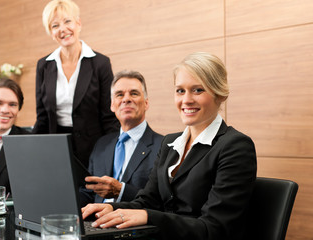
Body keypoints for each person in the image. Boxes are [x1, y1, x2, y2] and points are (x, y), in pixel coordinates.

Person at [82, 52, 257, 240]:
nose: (186, 100)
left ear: (219, 94)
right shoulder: (170, 144)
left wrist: (149, 216)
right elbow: (148, 201)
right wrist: (111, 208)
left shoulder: (236, 146)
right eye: (180, 91)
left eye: (197, 90)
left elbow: (215, 228)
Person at [33, 0, 119, 168]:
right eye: (55, 25)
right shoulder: (43, 66)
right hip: (55, 147)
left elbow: (109, 116)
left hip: (94, 147)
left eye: (67, 21)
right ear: (51, 32)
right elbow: (42, 117)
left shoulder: (100, 63)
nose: (63, 29)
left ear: (78, 23)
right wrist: (32, 151)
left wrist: (112, 154)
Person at [80, 70, 163, 206]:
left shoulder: (163, 147)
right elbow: (88, 193)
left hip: (134, 224)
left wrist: (121, 191)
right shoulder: (101, 144)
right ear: (112, 105)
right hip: (94, 223)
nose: (126, 99)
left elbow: (162, 201)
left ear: (146, 103)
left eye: (134, 93)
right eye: (120, 95)